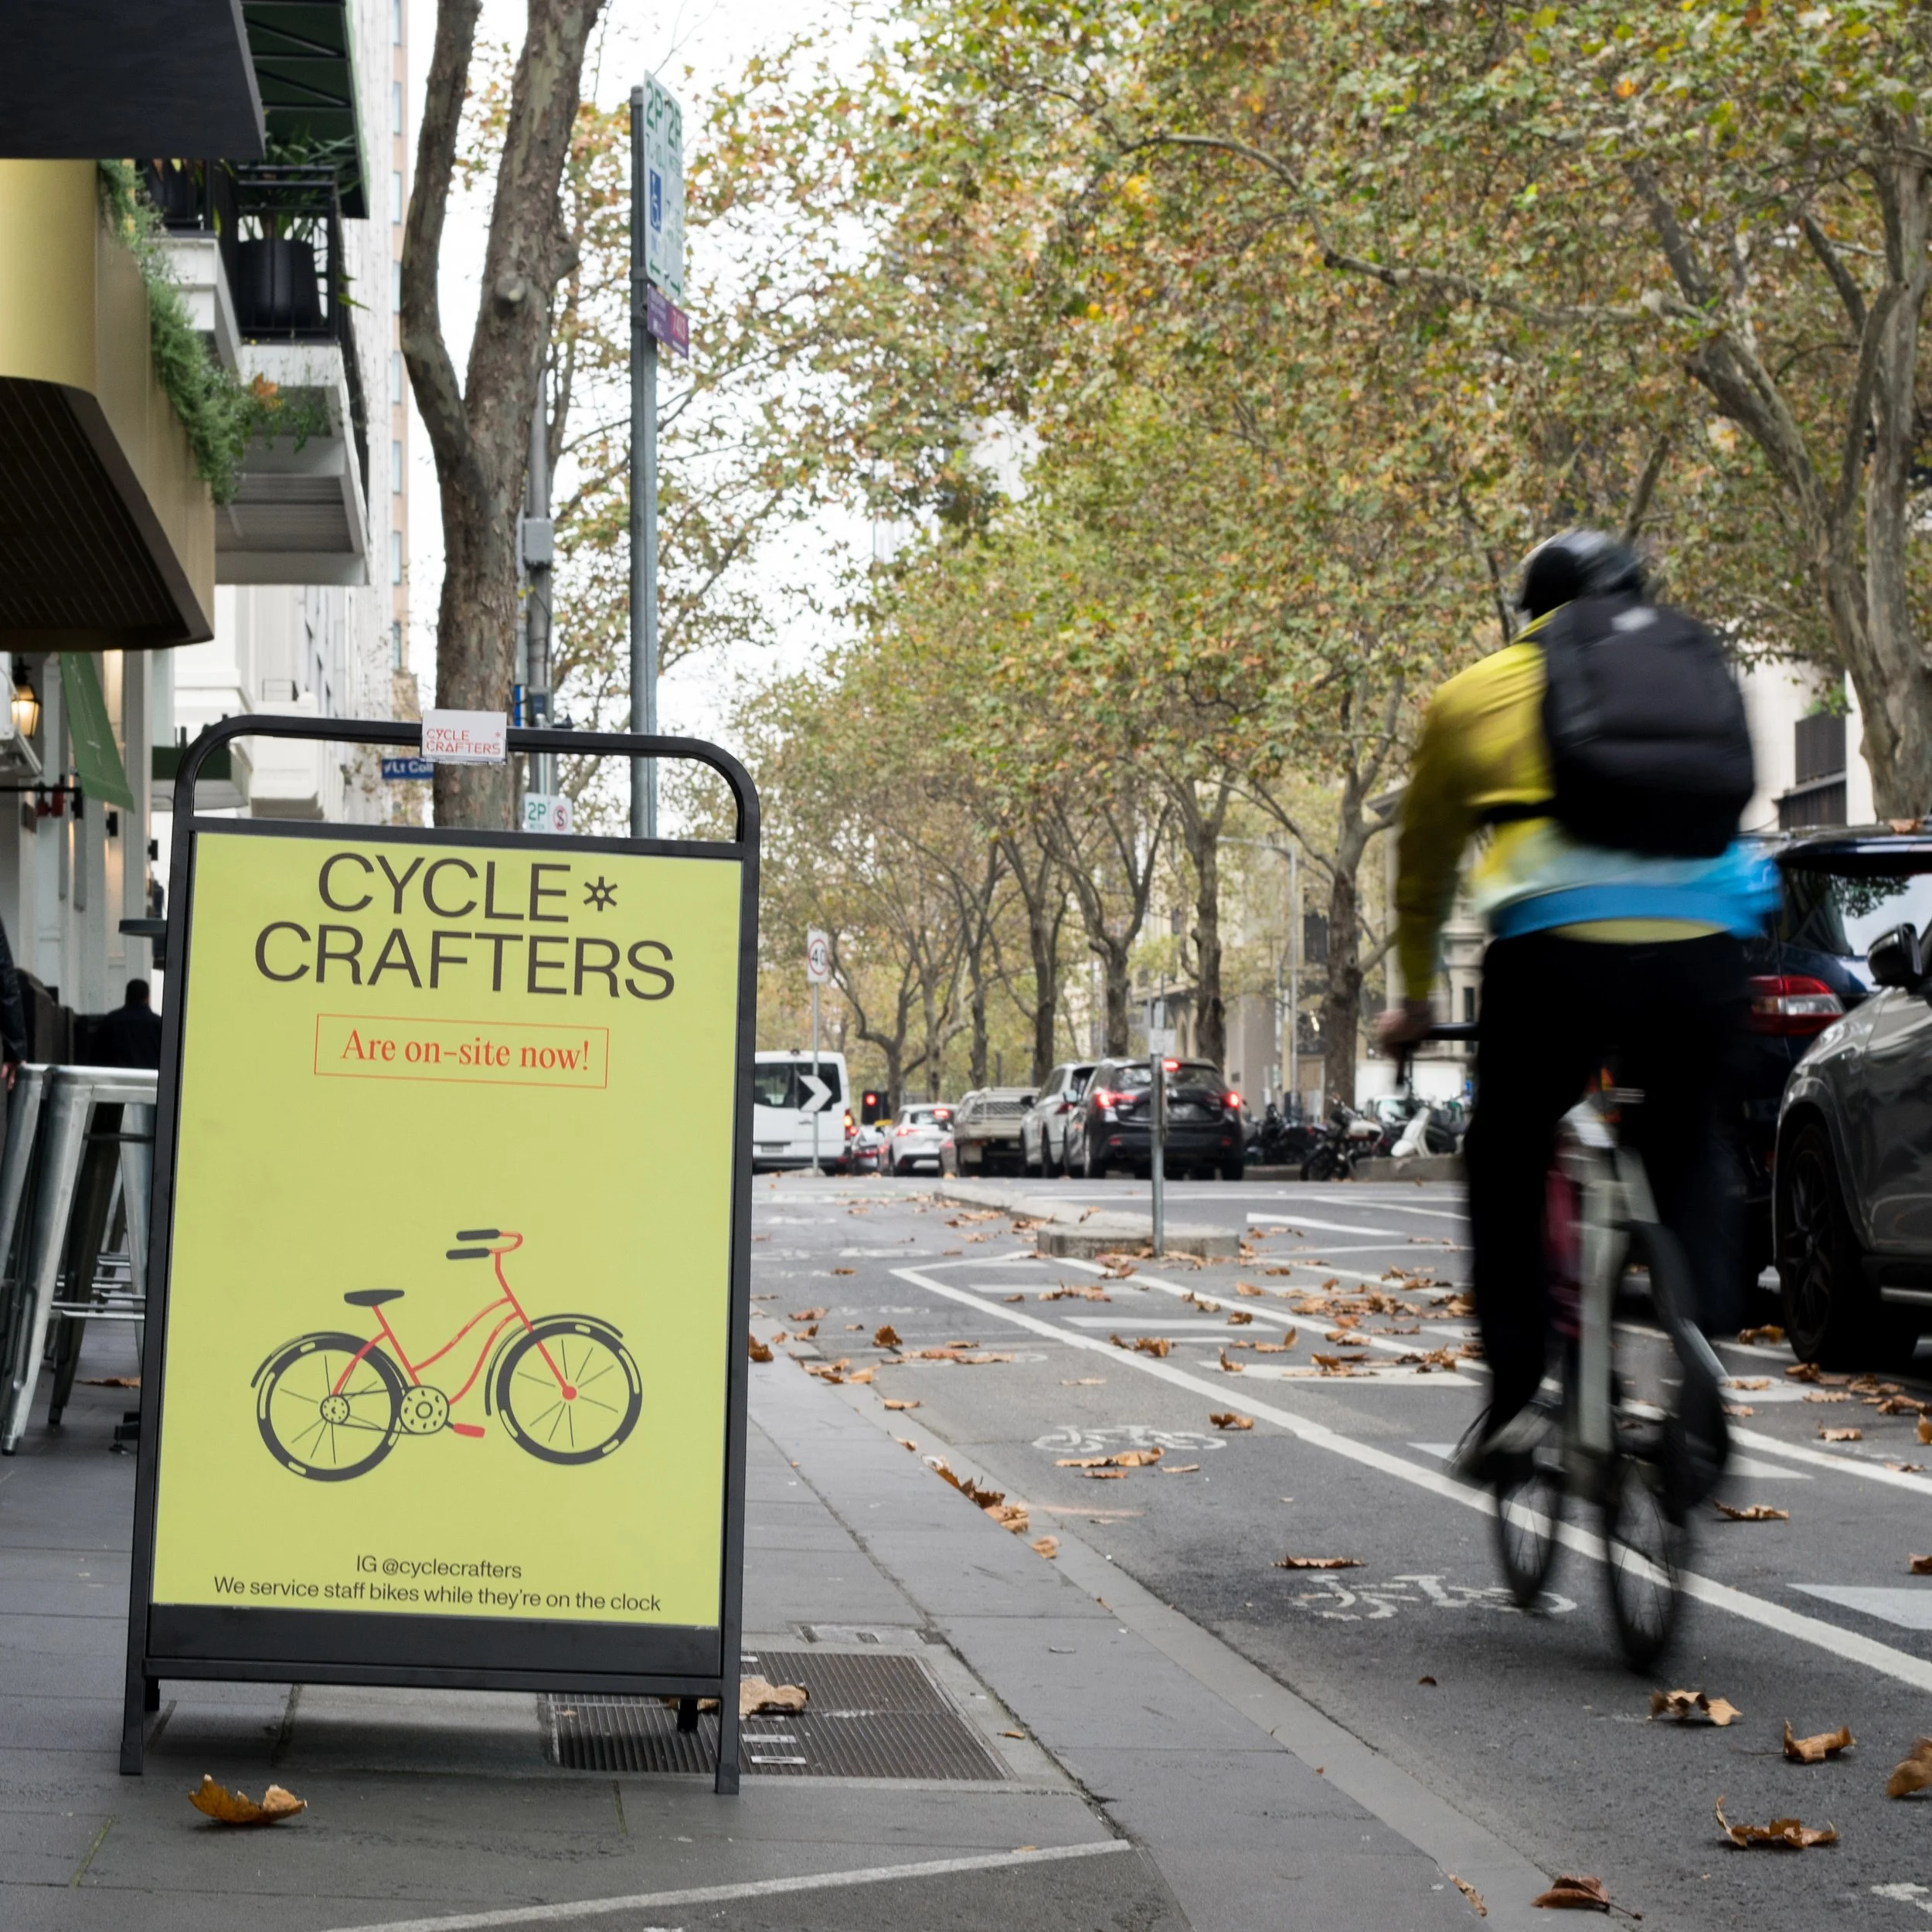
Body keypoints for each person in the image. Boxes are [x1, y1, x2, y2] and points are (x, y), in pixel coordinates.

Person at [1379, 530, 1775, 1480]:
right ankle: (1701, 1355)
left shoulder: (1474, 695)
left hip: (1556, 952)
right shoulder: (1693, 663)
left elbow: (1424, 867)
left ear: (1529, 611)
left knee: (1508, 1144)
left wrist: (1417, 997)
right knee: (1686, 1136)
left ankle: (1516, 1398)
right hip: (1707, 947)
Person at [97, 978, 162, 1070]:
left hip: (115, 1080)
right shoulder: (159, 1024)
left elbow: (97, 1058)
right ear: (147, 998)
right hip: (151, 1080)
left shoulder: (110, 1021)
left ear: (127, 997)